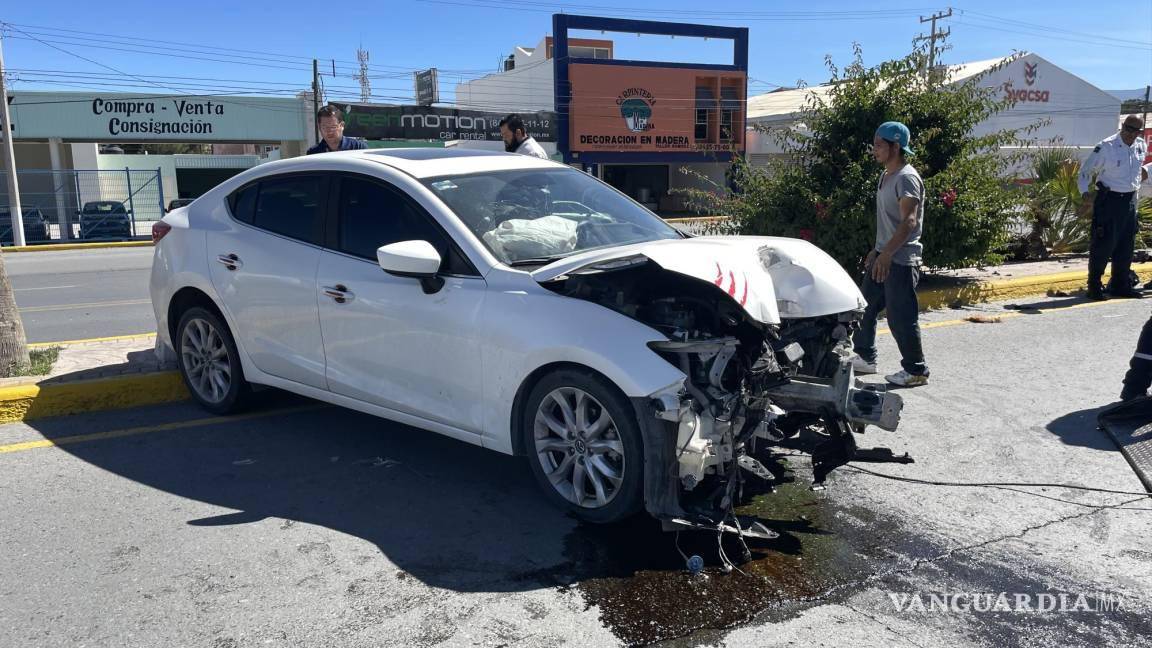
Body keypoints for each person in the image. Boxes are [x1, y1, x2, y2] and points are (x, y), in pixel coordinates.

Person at [852, 121, 930, 388]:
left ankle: (916, 370)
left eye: (879, 145)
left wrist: (886, 255)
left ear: (895, 146)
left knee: (901, 317)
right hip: (884, 254)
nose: (874, 150)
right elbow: (888, 220)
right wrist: (876, 250)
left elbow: (909, 222)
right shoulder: (886, 175)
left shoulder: (907, 177)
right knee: (865, 307)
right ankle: (865, 357)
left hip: (900, 259)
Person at [1078, 115, 1147, 300]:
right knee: (1102, 245)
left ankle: (1120, 285)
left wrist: (1135, 200)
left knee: (1126, 246)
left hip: (1130, 201)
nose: (1131, 133)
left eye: (1136, 130)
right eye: (1128, 128)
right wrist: (1085, 194)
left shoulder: (1141, 145)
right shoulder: (1106, 147)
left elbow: (1138, 174)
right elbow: (1085, 171)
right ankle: (1094, 286)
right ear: (1122, 126)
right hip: (1109, 201)